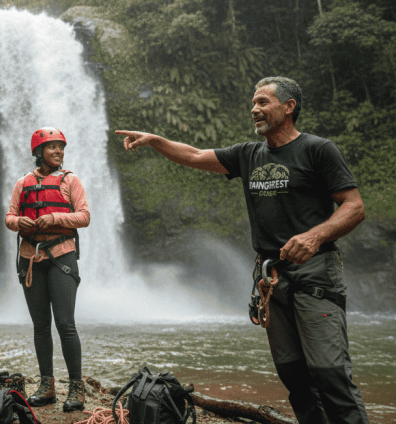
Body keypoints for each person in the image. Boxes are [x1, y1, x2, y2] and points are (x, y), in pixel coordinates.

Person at [116, 76, 369, 424]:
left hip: (315, 273)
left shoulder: (318, 150)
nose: (255, 109)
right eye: (253, 103)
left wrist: (315, 236)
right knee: (294, 376)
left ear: (289, 107)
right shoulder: (248, 155)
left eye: (263, 102)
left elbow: (354, 206)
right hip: (272, 279)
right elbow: (194, 155)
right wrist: (156, 141)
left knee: (330, 375)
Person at [5, 127, 90, 413]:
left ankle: (76, 386)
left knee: (65, 324)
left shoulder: (71, 180)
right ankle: (47, 384)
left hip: (61, 256)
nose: (58, 152)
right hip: (30, 257)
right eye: (51, 147)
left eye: (60, 147)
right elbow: (9, 216)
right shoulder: (22, 182)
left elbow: (84, 216)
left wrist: (55, 217)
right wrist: (20, 224)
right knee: (41, 325)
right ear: (39, 152)